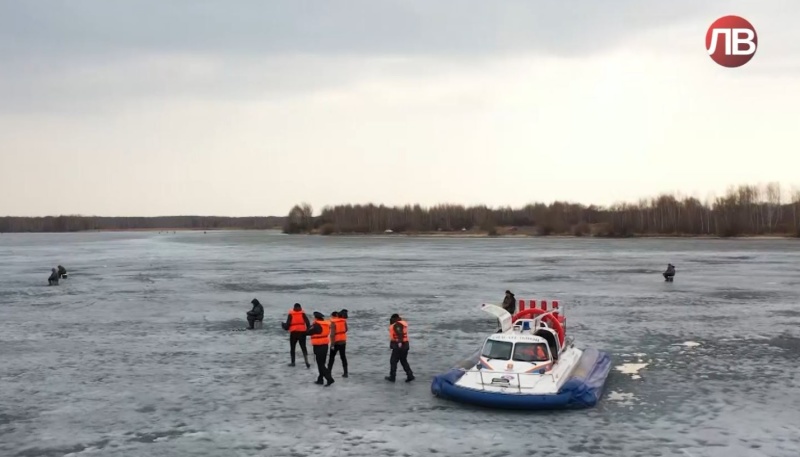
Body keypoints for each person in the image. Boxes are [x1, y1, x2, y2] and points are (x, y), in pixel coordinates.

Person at [306, 311, 335, 386]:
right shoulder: (326, 324)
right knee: (321, 364)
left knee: (321, 365)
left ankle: (329, 379)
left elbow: (307, 332)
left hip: (318, 346)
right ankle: (320, 379)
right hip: (325, 345)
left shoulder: (316, 325)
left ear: (316, 318)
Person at [385, 313, 414, 383]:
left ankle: (392, 377)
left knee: (393, 361)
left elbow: (399, 333)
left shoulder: (397, 324)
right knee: (403, 360)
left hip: (399, 346)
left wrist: (399, 343)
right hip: (405, 345)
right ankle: (410, 375)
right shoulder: (401, 324)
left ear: (393, 319)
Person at [281, 303, 311, 368]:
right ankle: (307, 362)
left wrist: (283, 325)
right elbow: (308, 323)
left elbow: (287, 325)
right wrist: (307, 330)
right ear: (300, 307)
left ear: (294, 308)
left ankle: (293, 362)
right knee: (303, 348)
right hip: (302, 333)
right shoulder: (302, 314)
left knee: (292, 348)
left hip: (294, 333)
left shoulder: (291, 314)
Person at [327, 310, 348, 378]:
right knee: (343, 357)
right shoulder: (343, 321)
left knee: (331, 358)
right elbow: (346, 329)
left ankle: (329, 372)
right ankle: (346, 373)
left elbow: (332, 334)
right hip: (343, 341)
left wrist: (332, 345)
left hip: (336, 342)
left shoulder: (333, 323)